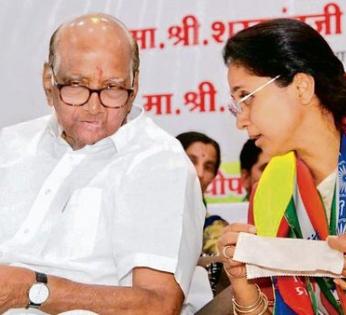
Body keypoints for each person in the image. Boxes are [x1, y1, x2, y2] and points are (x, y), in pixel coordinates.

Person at [0, 13, 205, 314]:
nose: (94, 107)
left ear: (134, 86)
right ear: (48, 81)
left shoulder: (159, 163)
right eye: (76, 85)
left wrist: (33, 289)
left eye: (112, 88)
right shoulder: (9, 145)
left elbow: (159, 305)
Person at [217, 18, 346, 314]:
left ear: (301, 87)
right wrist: (243, 286)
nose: (241, 120)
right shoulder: (270, 193)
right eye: (235, 105)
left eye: (246, 98)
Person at [176, 131, 229, 295]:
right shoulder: (145, 212)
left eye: (208, 167)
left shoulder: (213, 227)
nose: (199, 173)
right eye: (191, 161)